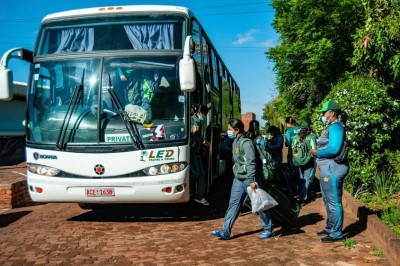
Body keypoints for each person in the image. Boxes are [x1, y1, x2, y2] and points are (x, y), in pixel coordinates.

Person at [210, 118, 274, 240]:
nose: (228, 131)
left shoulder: (246, 143)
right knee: (233, 204)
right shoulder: (235, 142)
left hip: (250, 179)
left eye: (229, 129)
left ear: (237, 130)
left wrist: (251, 180)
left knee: (260, 205)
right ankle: (225, 231)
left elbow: (251, 162)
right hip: (238, 179)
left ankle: (268, 229)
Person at [311, 100, 349, 243]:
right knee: (328, 200)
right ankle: (330, 227)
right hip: (327, 169)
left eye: (324, 113)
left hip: (332, 169)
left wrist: (317, 152)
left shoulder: (336, 127)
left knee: (333, 201)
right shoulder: (333, 127)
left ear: (332, 113)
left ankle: (336, 233)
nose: (323, 115)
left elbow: (334, 148)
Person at [190, 104, 210, 206]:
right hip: (192, 151)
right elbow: (183, 131)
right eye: (204, 114)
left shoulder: (200, 121)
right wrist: (192, 131)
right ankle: (189, 190)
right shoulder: (190, 120)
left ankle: (199, 196)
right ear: (199, 112)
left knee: (201, 174)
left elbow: (200, 137)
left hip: (197, 151)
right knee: (196, 173)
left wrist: (203, 142)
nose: (205, 116)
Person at [292, 121, 316, 203]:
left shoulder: (296, 137)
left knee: (301, 178)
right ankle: (303, 197)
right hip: (308, 161)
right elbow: (313, 150)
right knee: (307, 178)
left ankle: (302, 194)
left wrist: (296, 159)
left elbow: (293, 149)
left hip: (298, 161)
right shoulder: (311, 137)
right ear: (308, 128)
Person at [284, 117, 300, 194]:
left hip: (292, 154)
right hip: (301, 153)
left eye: (286, 123)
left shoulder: (289, 131)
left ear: (289, 123)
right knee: (300, 171)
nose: (286, 125)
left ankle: (293, 188)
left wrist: (286, 142)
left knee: (292, 171)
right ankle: (301, 188)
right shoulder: (300, 128)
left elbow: (287, 144)